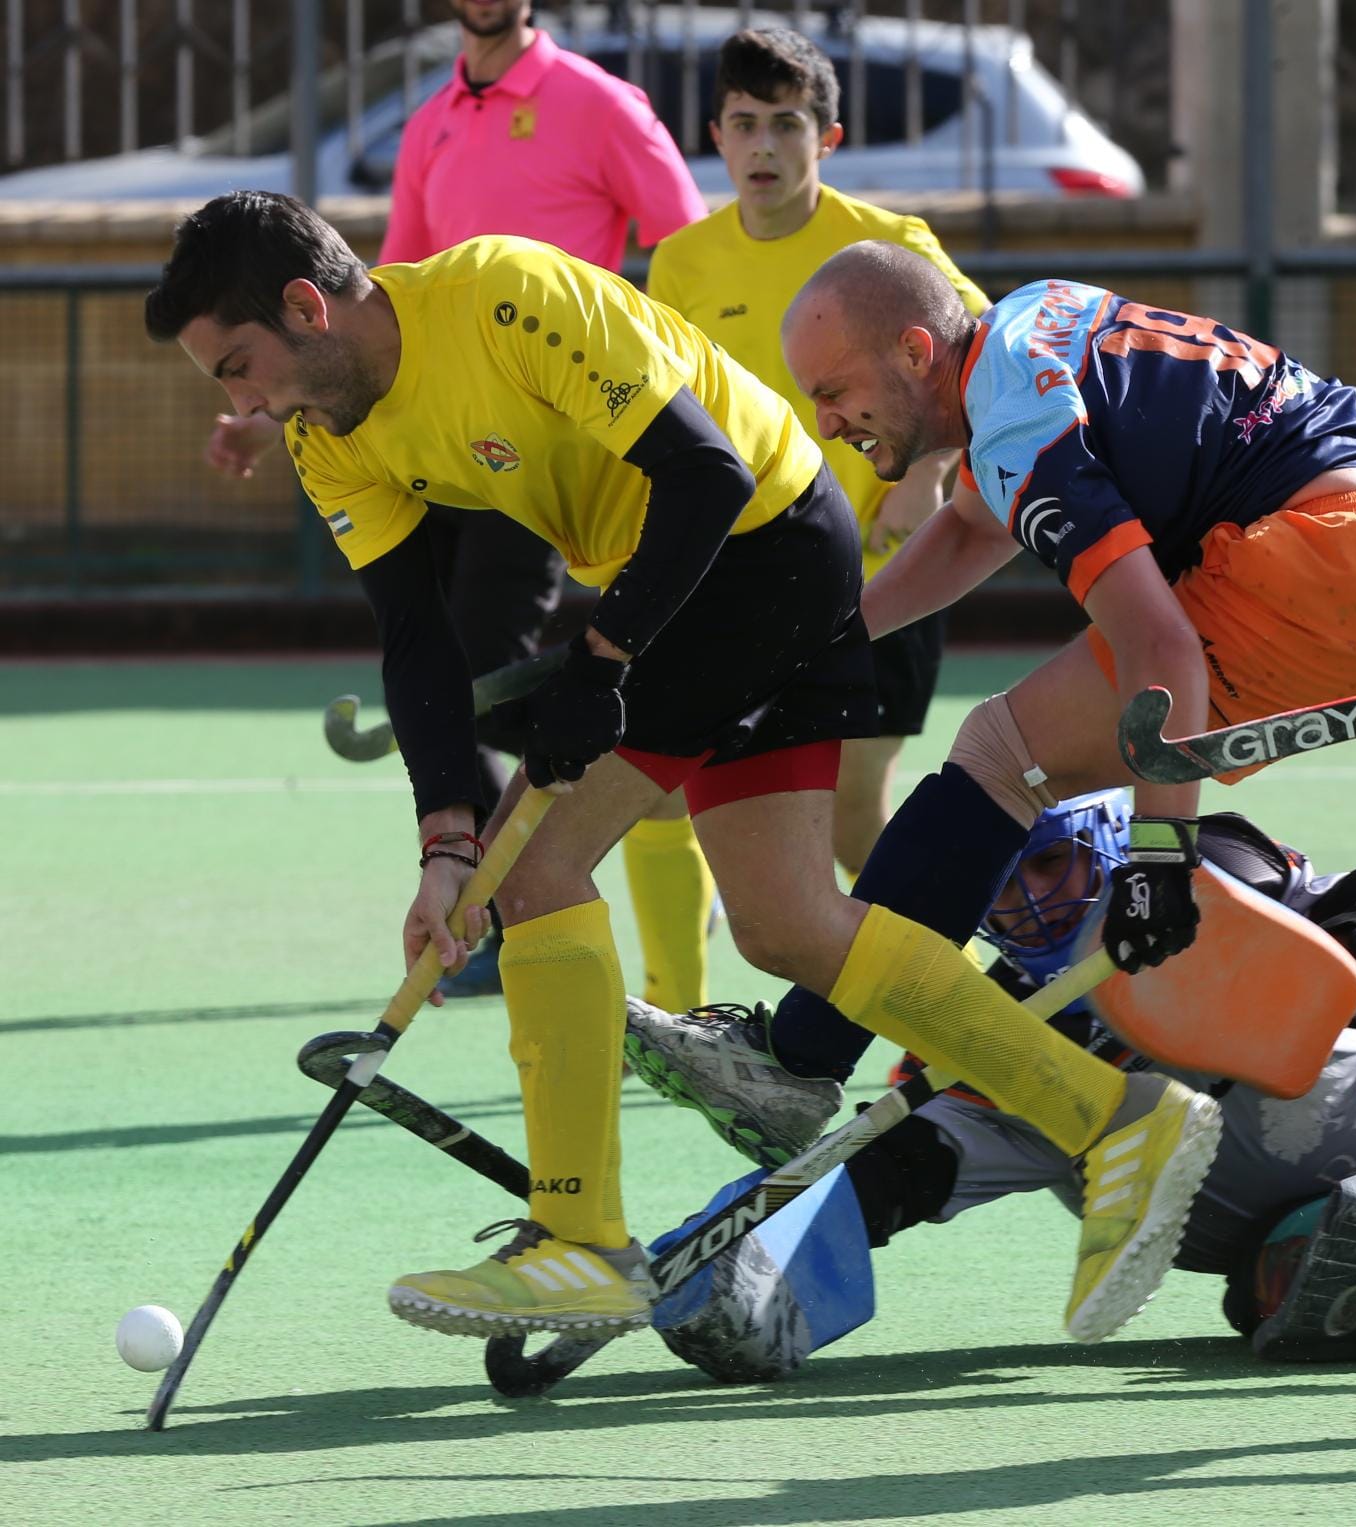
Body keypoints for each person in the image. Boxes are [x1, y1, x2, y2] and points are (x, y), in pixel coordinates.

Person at [145, 191, 1224, 1346]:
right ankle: (1115, 1118)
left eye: (240, 367)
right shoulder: (328, 437)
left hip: (759, 545)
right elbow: (415, 642)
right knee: (790, 925)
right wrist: (441, 847)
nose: (246, 404)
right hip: (703, 577)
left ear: (308, 306)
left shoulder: (502, 295)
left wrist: (602, 661)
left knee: (539, 871)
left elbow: (702, 473)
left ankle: (578, 1244)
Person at [617, 238, 1356, 1170]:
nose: (828, 423)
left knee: (1002, 752)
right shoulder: (1041, 320)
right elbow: (969, 529)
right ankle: (798, 1055)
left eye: (834, 392)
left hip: (1318, 571)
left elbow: (1159, 644)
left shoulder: (1013, 425)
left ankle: (795, 1062)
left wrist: (1159, 855)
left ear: (916, 352)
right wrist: (818, 644)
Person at [640, 796, 1356, 1382]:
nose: (1025, 901)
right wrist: (755, 1267)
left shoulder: (1209, 868)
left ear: (1105, 839)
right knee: (1337, 1256)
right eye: (999, 884)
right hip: (1314, 1224)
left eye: (1049, 861)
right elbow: (895, 1171)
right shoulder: (989, 1033)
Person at [204, 0, 714, 1010]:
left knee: (489, 660)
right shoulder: (432, 119)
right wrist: (271, 412)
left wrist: (669, 407)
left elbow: (690, 259)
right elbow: (372, 292)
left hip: (548, 438)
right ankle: (495, 883)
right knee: (450, 661)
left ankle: (509, 903)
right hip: (436, 439)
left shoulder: (601, 104)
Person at [646, 27, 987, 877]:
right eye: (746, 122)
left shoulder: (890, 245)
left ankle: (993, 966)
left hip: (882, 565)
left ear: (827, 138)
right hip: (752, 576)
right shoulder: (682, 262)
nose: (765, 144)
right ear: (716, 137)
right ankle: (685, 996)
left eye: (788, 123)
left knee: (854, 814)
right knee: (683, 795)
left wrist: (929, 477)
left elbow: (987, 365)